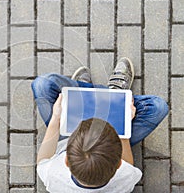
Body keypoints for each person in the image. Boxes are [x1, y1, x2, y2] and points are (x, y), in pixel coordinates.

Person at [31, 58, 169, 192]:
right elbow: (128, 162)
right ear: (119, 164)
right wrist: (123, 123)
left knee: (42, 84)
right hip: (111, 144)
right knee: (158, 107)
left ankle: (84, 92)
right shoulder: (125, 178)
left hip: (65, 136)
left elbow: (43, 159)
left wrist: (56, 118)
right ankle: (112, 93)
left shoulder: (52, 175)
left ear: (66, 161)